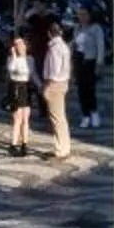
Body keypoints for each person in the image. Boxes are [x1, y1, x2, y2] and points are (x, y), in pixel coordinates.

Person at [38, 16, 75, 162]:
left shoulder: (54, 48)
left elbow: (53, 71)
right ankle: (64, 146)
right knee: (61, 118)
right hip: (63, 82)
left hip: (54, 84)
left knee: (56, 118)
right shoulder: (64, 46)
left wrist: (45, 87)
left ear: (49, 33)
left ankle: (61, 150)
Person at [71, 7, 106, 131]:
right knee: (81, 90)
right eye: (80, 14)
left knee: (89, 89)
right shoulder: (77, 28)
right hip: (79, 60)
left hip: (90, 61)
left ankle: (94, 112)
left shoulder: (96, 28)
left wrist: (99, 63)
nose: (82, 17)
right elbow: (74, 44)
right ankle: (85, 115)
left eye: (84, 14)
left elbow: (100, 46)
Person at [5, 29, 35, 158]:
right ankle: (13, 145)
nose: (19, 46)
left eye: (21, 44)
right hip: (16, 87)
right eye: (16, 45)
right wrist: (16, 57)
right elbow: (12, 70)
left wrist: (40, 86)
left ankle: (24, 144)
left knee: (25, 118)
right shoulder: (12, 59)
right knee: (17, 118)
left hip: (25, 87)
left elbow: (31, 73)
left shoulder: (30, 59)